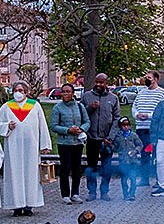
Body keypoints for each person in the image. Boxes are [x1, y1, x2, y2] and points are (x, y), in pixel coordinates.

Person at [0, 81, 52, 216]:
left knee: (31, 175)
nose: (18, 93)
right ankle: (16, 205)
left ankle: (29, 205)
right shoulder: (7, 106)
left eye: (21, 90)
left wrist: (45, 145)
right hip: (13, 147)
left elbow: (42, 126)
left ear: (26, 92)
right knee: (14, 175)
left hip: (31, 147)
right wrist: (7, 126)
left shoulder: (34, 106)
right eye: (16, 90)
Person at [82, 73, 120, 201]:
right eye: (97, 82)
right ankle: (92, 192)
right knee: (91, 167)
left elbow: (116, 118)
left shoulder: (113, 98)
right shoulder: (87, 96)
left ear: (106, 83)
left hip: (107, 140)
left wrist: (110, 137)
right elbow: (81, 114)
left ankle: (104, 192)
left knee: (106, 168)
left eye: (101, 82)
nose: (98, 84)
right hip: (92, 138)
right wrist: (90, 108)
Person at [49, 83, 90, 204]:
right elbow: (54, 126)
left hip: (77, 143)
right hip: (64, 143)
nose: (65, 94)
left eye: (68, 91)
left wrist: (81, 129)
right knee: (65, 169)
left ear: (73, 93)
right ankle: (65, 194)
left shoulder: (80, 106)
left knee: (77, 169)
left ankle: (75, 193)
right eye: (63, 91)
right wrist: (68, 130)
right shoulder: (57, 108)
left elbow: (87, 121)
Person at [131, 73, 164, 186]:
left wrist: (149, 115)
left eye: (149, 78)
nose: (146, 80)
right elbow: (134, 107)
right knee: (144, 154)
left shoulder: (162, 93)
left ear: (156, 79)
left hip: (155, 130)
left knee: (157, 155)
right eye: (146, 78)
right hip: (141, 128)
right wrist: (137, 115)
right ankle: (144, 179)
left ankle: (159, 180)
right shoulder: (141, 92)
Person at [109, 116, 143, 201]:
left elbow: (140, 145)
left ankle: (132, 194)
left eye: (127, 125)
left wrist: (136, 151)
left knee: (133, 178)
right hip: (123, 161)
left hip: (133, 161)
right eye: (124, 125)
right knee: (124, 179)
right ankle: (125, 194)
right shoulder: (118, 137)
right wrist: (110, 146)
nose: (126, 127)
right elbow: (115, 148)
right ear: (120, 126)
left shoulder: (133, 135)